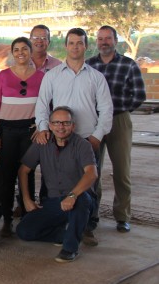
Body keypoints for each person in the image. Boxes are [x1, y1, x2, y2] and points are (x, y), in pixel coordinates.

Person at [35, 27, 113, 246]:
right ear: (65, 46)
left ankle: (88, 226)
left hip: (87, 139)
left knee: (89, 182)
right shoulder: (52, 76)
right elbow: (42, 105)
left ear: (86, 46)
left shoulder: (96, 77)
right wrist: (43, 128)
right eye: (71, 43)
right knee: (52, 181)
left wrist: (97, 136)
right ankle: (55, 222)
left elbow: (106, 109)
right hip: (57, 138)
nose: (75, 47)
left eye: (80, 43)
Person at [17, 107, 97, 263]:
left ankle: (70, 248)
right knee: (24, 231)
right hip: (54, 201)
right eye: (56, 123)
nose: (61, 127)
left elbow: (91, 174)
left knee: (83, 200)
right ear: (50, 125)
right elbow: (23, 171)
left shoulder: (82, 145)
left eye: (66, 123)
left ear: (73, 126)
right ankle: (64, 234)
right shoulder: (42, 143)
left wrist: (72, 196)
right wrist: (26, 199)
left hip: (78, 199)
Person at [86, 25, 146, 233]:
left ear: (115, 41)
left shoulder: (128, 65)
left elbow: (139, 95)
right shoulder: (89, 65)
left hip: (119, 120)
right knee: (92, 169)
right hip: (94, 122)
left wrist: (116, 110)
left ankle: (122, 216)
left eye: (108, 38)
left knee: (121, 170)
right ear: (96, 42)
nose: (104, 42)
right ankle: (92, 213)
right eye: (100, 39)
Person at [0, 37, 44, 237]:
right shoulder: (3, 76)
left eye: (24, 49)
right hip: (7, 132)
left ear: (30, 52)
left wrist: (41, 127)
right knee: (7, 176)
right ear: (12, 53)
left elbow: (45, 105)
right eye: (17, 49)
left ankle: (28, 217)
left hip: (30, 132)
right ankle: (7, 219)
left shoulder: (41, 77)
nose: (21, 53)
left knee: (27, 173)